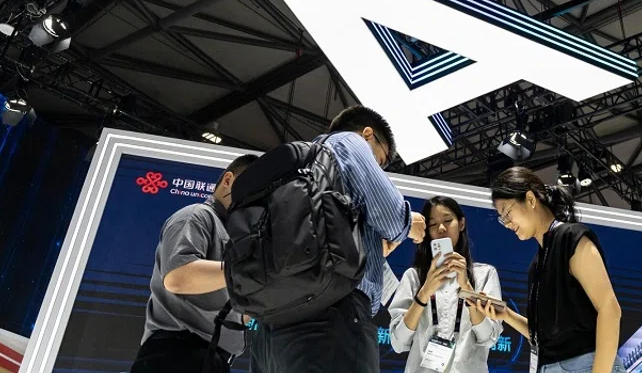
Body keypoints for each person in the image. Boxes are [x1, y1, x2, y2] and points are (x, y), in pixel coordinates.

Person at [250, 105, 426, 373]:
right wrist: (408, 223)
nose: (378, 168)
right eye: (379, 161)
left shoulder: (298, 164)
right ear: (368, 134)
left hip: (272, 324)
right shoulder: (349, 142)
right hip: (333, 316)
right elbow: (391, 218)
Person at [481, 166, 624, 373]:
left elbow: (610, 309)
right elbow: (547, 338)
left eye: (507, 213)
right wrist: (506, 314)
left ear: (530, 199)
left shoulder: (571, 237)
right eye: (502, 218)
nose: (507, 223)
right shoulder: (537, 264)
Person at [130, 153, 258, 373]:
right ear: (228, 181)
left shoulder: (237, 239)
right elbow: (178, 277)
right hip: (176, 354)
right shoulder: (196, 215)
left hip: (213, 358)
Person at [389, 196, 503, 372]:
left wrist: (466, 288)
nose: (441, 229)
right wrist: (425, 291)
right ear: (427, 232)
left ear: (461, 224)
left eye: (448, 221)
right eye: (433, 225)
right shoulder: (413, 277)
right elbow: (398, 341)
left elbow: (489, 337)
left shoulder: (485, 275)